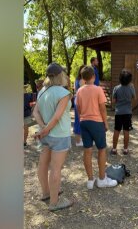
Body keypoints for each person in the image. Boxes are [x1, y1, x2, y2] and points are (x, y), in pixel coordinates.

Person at [32, 63, 73, 212]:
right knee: (56, 168)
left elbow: (35, 112)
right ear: (61, 75)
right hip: (59, 135)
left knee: (43, 164)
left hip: (46, 136)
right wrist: (45, 130)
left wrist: (43, 128)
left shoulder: (42, 90)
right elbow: (56, 118)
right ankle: (54, 203)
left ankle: (46, 193)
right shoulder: (63, 93)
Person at [76, 66, 118, 189]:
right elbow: (102, 109)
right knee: (101, 149)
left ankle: (90, 180)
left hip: (84, 122)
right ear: (93, 76)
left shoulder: (79, 91)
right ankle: (101, 179)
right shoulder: (98, 89)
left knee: (87, 150)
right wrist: (105, 123)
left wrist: (82, 118)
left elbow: (78, 108)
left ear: (83, 78)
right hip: (96, 122)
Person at [110, 69, 136, 155]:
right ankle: (125, 149)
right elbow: (134, 98)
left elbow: (113, 101)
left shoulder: (116, 88)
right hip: (128, 112)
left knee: (116, 130)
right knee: (126, 131)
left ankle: (114, 149)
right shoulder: (131, 88)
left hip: (118, 112)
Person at [73, 65, 86, 147]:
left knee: (78, 119)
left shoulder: (76, 80)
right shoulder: (82, 80)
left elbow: (75, 90)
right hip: (80, 100)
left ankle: (79, 139)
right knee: (79, 120)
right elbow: (82, 92)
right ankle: (78, 141)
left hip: (76, 99)